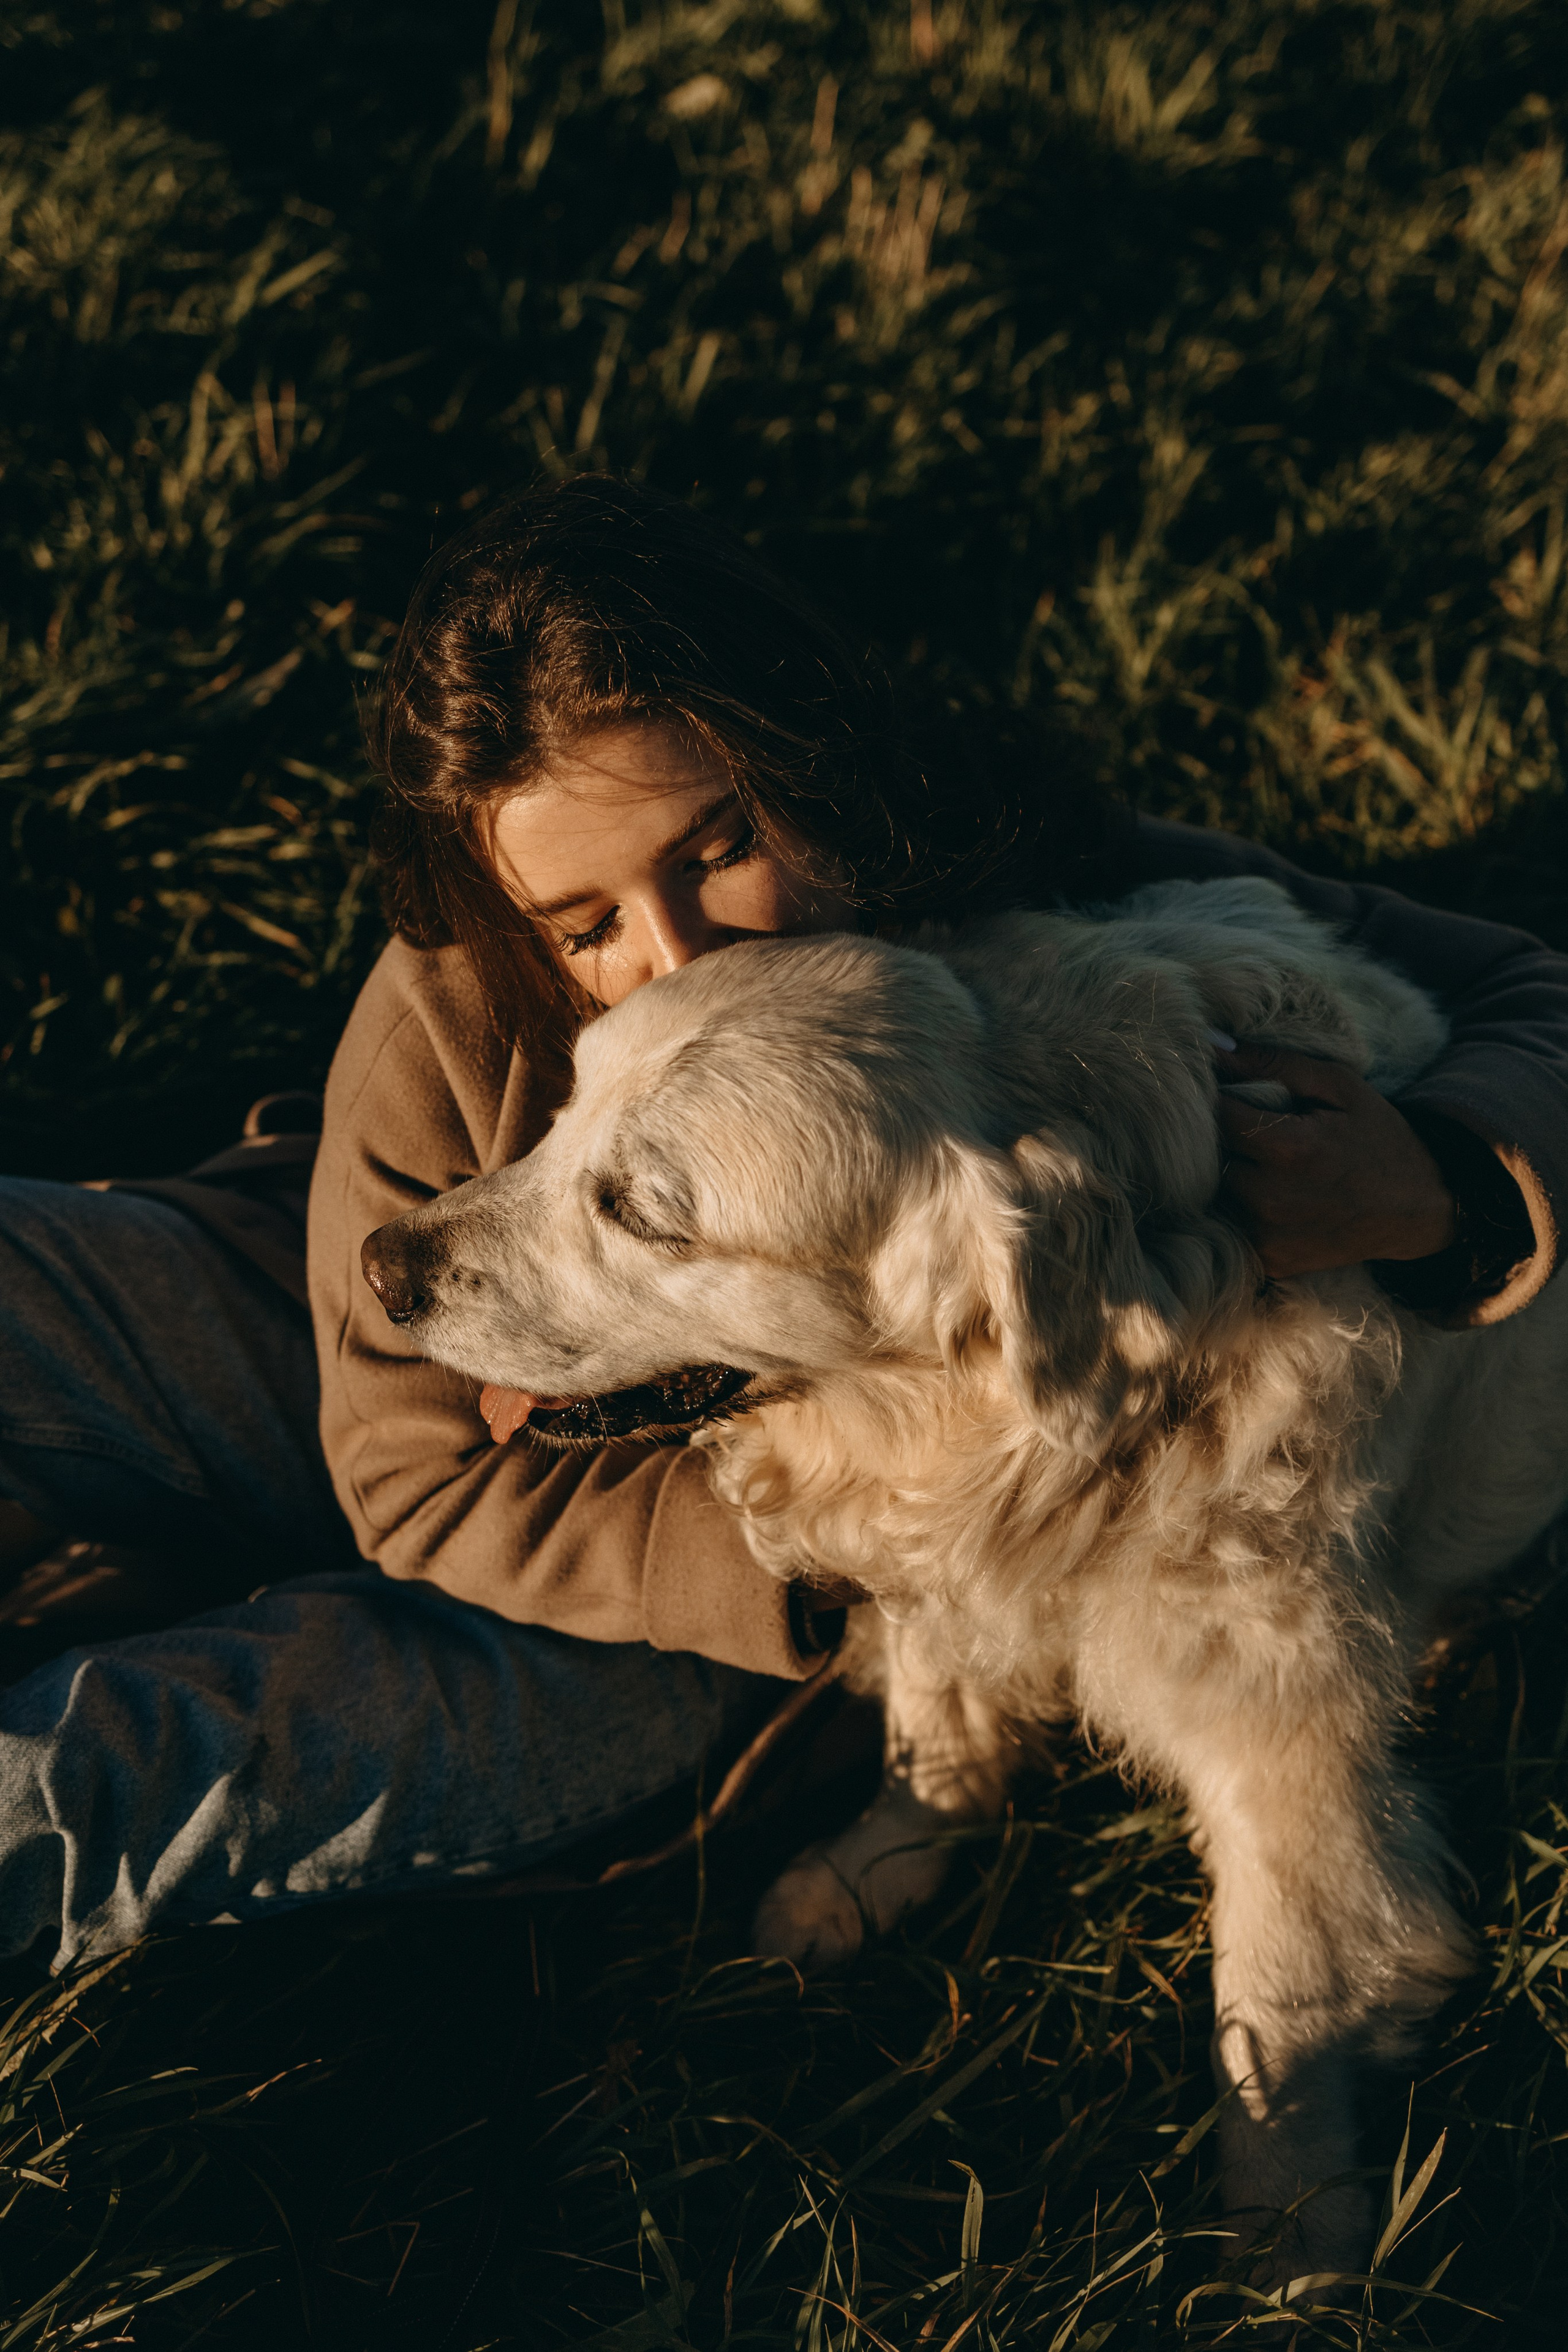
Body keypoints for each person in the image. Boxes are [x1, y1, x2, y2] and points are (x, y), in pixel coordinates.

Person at [0, 475, 1562, 1967]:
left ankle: (122, 1578)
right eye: (585, 925)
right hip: (409, 1361)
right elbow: (413, 1477)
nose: (677, 959)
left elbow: (1524, 992)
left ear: (808, 759)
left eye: (717, 849)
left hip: (718, 1631)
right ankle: (113, 1531)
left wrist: (1434, 1178)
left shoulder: (1020, 872)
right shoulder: (453, 1009)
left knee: (142, 1761)